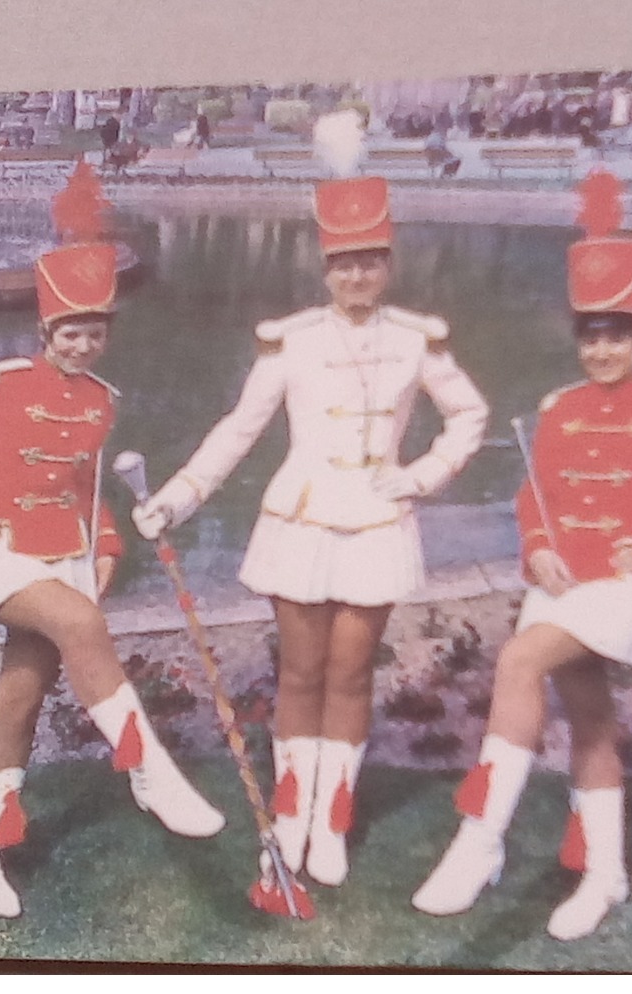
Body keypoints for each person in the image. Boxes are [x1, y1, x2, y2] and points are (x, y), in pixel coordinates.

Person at [412, 169, 632, 940]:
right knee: (590, 719)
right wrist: (536, 547)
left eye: (618, 332)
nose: (602, 348)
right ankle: (605, 875)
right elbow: (529, 498)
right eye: (590, 333)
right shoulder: (558, 410)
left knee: (517, 662)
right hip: (564, 584)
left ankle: (479, 841)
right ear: (574, 334)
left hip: (627, 582)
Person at [0, 164, 224, 920]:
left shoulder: (101, 404)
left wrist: (104, 545)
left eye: (93, 333)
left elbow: (83, 485)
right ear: (46, 333)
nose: (81, 344)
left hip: (60, 553)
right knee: (79, 623)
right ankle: (148, 773)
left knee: (19, 706)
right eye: (69, 332)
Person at [133, 173, 489, 890]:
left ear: (387, 265)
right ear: (324, 267)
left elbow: (470, 416)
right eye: (342, 262)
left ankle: (333, 815)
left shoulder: (418, 341)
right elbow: (239, 429)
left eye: (369, 260)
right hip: (298, 518)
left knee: (351, 670)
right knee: (298, 670)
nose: (356, 274)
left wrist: (421, 474)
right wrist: (177, 497)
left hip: (378, 520)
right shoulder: (288, 343)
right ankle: (293, 807)